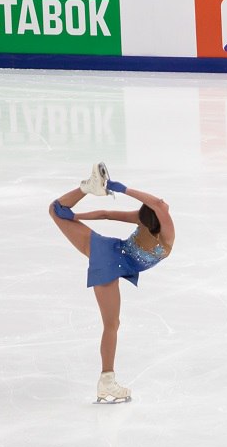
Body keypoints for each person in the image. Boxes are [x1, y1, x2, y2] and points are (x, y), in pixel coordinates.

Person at [49, 163, 175, 404]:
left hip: (109, 253)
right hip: (111, 261)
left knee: (55, 210)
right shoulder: (162, 227)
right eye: (158, 203)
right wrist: (122, 190)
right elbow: (154, 205)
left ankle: (87, 187)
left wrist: (76, 216)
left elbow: (108, 214)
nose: (162, 201)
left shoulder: (149, 223)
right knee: (111, 325)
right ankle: (106, 382)